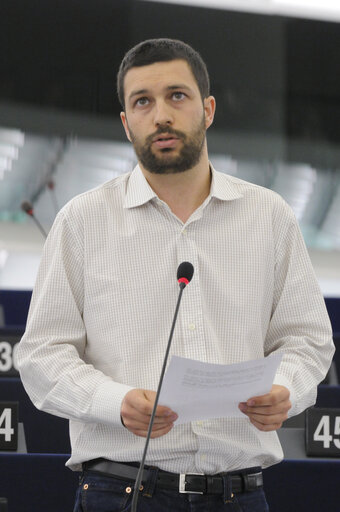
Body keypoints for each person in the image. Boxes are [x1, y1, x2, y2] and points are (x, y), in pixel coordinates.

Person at [17, 38, 334, 512]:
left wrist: (286, 389)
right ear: (126, 123)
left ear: (207, 109)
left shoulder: (269, 216)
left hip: (239, 493)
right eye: (142, 101)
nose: (160, 114)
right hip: (121, 492)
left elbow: (308, 340)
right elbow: (41, 355)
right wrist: (116, 402)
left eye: (177, 96)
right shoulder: (82, 221)